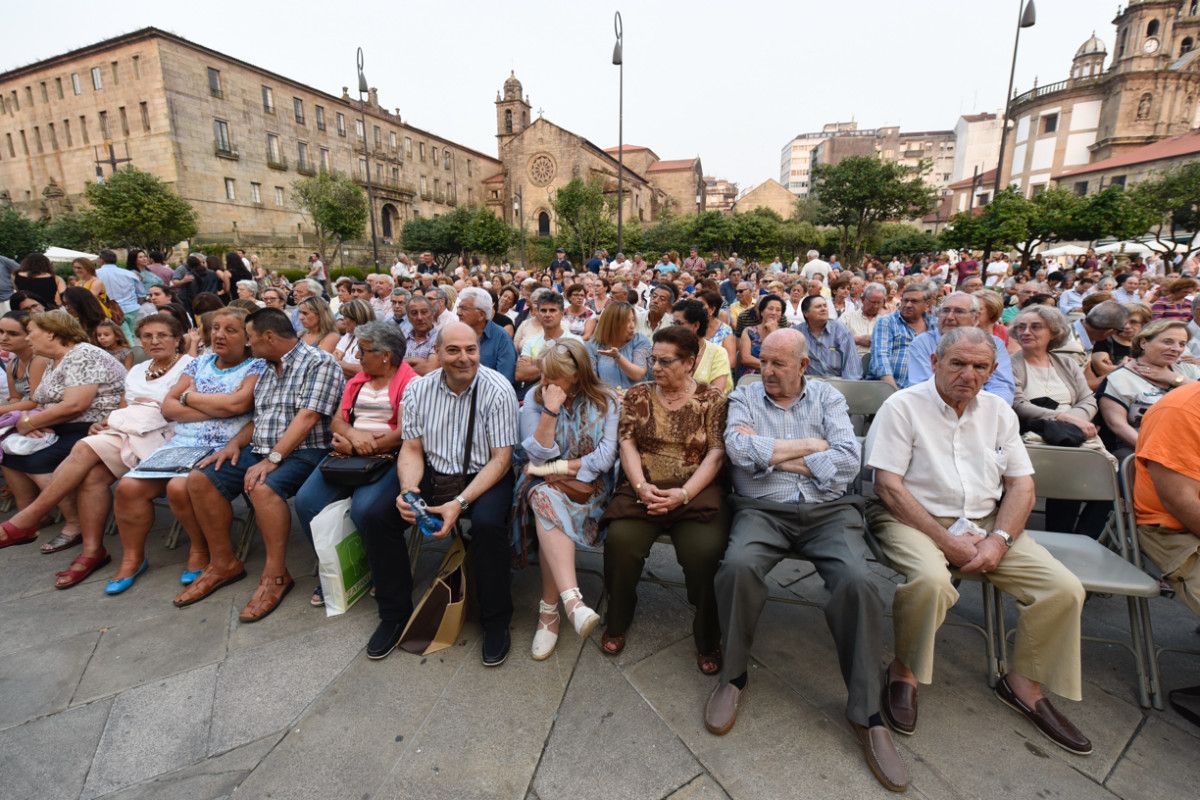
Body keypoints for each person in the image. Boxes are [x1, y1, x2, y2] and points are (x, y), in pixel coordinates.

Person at [866, 326, 1091, 755]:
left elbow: (1022, 487)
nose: (968, 374)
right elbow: (888, 487)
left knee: (1063, 589)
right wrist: (948, 543)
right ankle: (905, 671)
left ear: (991, 371)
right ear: (935, 363)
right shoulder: (902, 407)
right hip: (912, 516)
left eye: (980, 366)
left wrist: (1000, 540)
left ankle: (1023, 681)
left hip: (987, 520)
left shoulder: (999, 412)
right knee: (931, 581)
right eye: (958, 363)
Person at [709, 328, 906, 790]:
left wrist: (771, 455)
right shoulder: (745, 394)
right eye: (763, 361)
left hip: (829, 511)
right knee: (737, 567)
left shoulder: (828, 400)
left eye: (779, 363)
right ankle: (732, 676)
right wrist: (810, 447)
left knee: (860, 579)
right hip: (763, 509)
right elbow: (738, 451)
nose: (767, 371)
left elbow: (847, 460)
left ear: (804, 366)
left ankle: (867, 711)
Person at [174, 308, 344, 622]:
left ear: (268, 336)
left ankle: (276, 575)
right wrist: (234, 444)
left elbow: (307, 418)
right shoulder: (266, 367)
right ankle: (224, 563)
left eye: (250, 338)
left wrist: (272, 459)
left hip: (306, 451)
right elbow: (261, 419)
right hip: (262, 448)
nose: (249, 346)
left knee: (262, 487)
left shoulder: (318, 362)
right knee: (200, 479)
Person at [0, 315, 190, 593]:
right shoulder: (138, 370)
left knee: (81, 449)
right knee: (91, 476)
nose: (154, 341)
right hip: (125, 432)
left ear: (177, 339)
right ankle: (92, 551)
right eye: (147, 336)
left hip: (163, 435)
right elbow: (124, 407)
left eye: (162, 335)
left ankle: (29, 519)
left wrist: (29, 422)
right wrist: (110, 420)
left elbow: (173, 411)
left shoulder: (189, 366)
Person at [601, 326, 729, 674]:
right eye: (652, 359)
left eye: (665, 361)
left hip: (695, 493)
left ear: (689, 362)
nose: (655, 367)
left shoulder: (711, 400)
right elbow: (626, 442)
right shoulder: (638, 395)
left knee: (703, 553)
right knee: (620, 543)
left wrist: (684, 494)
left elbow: (717, 453)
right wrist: (641, 486)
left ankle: (708, 635)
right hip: (644, 489)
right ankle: (617, 617)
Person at [397, 322, 520, 666]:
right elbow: (411, 449)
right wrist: (408, 492)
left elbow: (501, 460)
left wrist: (460, 502)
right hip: (436, 474)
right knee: (375, 513)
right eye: (453, 350)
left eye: (471, 349)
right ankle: (394, 611)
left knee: (487, 525)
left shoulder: (498, 389)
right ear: (437, 352)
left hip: (484, 476)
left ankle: (495, 620)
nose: (464, 358)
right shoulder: (418, 390)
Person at [113, 308, 263, 588]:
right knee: (127, 488)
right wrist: (215, 405)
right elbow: (169, 408)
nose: (219, 334)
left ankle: (200, 548)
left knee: (178, 488)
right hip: (182, 441)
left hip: (223, 444)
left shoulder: (256, 366)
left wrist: (189, 398)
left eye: (230, 330)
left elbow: (238, 406)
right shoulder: (199, 363)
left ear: (247, 339)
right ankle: (132, 558)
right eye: (216, 327)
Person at [294, 322, 416, 641]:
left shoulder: (409, 382)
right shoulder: (358, 380)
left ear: (385, 356)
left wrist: (366, 446)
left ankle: (379, 568)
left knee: (366, 509)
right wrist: (351, 438)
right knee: (307, 502)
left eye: (363, 351)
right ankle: (338, 567)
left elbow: (404, 433)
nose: (357, 356)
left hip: (388, 455)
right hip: (349, 453)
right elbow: (337, 419)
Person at [515, 339, 618, 660]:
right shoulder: (535, 398)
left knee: (547, 508)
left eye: (554, 376)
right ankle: (572, 604)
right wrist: (550, 409)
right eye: (543, 374)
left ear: (577, 375)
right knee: (544, 497)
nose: (545, 382)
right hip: (543, 484)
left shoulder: (607, 400)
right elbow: (534, 453)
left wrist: (559, 467)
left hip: (591, 490)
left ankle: (551, 612)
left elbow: (604, 458)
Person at [0, 313, 126, 554]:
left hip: (96, 427)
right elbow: (42, 400)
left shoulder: (82, 355)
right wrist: (35, 423)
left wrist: (28, 423)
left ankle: (73, 524)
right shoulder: (54, 359)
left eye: (31, 332)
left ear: (51, 333)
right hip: (65, 425)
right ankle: (35, 516)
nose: (28, 338)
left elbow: (75, 405)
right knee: (10, 452)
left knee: (37, 458)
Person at [1009, 306, 1113, 537]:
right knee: (1071, 467)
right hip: (1034, 433)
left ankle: (1083, 537)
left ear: (1053, 333)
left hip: (1073, 432)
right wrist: (1062, 417)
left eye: (1035, 327)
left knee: (1111, 480)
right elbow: (1018, 404)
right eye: (1021, 327)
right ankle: (1059, 534)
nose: (1026, 332)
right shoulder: (1011, 364)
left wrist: (1073, 421)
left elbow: (1088, 400)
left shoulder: (1066, 364)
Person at [1097, 319, 1199, 462]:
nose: (1176, 348)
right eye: (1168, 342)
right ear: (1143, 342)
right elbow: (1117, 425)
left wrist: (1175, 378)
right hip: (1144, 451)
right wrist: (1159, 453)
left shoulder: (1187, 370)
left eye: (1182, 344)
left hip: (1192, 443)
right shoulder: (1119, 379)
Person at [903, 292, 1015, 403]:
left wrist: (980, 411)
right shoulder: (923, 343)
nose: (950, 317)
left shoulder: (993, 344)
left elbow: (1002, 388)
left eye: (959, 311)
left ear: (975, 318)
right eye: (945, 311)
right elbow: (923, 389)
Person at [868, 281, 936, 387]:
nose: (908, 305)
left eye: (914, 301)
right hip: (892, 389)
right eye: (905, 300)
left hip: (927, 390)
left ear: (926, 305)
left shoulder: (934, 325)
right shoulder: (887, 322)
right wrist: (894, 393)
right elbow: (881, 359)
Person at [516, 291, 581, 384]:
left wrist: (535, 364)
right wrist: (560, 364)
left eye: (552, 310)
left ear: (562, 314)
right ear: (537, 313)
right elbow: (520, 374)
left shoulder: (575, 341)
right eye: (543, 310)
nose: (547, 314)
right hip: (534, 394)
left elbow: (576, 373)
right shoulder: (530, 342)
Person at [585, 301, 650, 392]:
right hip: (607, 399)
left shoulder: (640, 340)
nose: (632, 326)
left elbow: (638, 374)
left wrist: (618, 357)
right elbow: (592, 380)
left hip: (636, 398)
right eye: (627, 321)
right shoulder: (593, 345)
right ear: (613, 324)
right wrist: (611, 397)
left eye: (633, 320)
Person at [455, 286, 516, 382]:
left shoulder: (502, 338)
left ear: (481, 315)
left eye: (464, 309)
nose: (458, 313)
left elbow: (505, 379)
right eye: (459, 307)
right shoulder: (455, 333)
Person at [794, 295, 861, 380]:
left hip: (837, 383)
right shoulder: (797, 333)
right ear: (806, 313)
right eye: (818, 307)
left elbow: (852, 366)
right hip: (808, 383)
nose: (823, 309)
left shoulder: (840, 330)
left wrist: (847, 388)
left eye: (825, 306)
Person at [672, 299, 732, 394]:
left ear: (696, 325)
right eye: (673, 324)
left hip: (705, 406)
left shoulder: (717, 353)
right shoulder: (670, 349)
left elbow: (716, 394)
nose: (673, 328)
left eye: (679, 323)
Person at [0, 310, 50, 414]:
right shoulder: (12, 364)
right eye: (1, 332)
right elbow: (15, 398)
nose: (3, 338)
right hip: (25, 414)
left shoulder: (39, 360)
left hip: (43, 414)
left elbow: (35, 402)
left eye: (13, 334)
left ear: (30, 336)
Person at [95, 250, 147, 341]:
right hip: (133, 309)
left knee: (125, 340)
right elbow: (142, 294)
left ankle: (132, 354)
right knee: (136, 337)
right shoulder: (129, 273)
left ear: (101, 260)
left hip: (110, 312)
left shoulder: (95, 275)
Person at [738, 294, 786, 376]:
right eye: (770, 309)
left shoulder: (786, 333)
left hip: (777, 375)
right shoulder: (749, 331)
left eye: (778, 310)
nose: (774, 313)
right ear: (762, 312)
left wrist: (773, 333)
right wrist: (770, 367)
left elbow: (784, 358)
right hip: (752, 376)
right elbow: (745, 358)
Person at [840, 282, 887, 357]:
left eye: (879, 302)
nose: (875, 306)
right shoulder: (847, 317)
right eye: (873, 302)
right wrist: (856, 340)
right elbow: (834, 339)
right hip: (853, 362)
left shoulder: (887, 321)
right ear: (863, 299)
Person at [332, 298, 374, 378]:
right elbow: (335, 355)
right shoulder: (348, 335)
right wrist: (347, 366)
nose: (343, 322)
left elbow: (365, 370)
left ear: (357, 319)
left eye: (345, 318)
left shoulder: (371, 339)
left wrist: (341, 363)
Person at [403, 295, 440, 376]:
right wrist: (418, 361)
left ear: (432, 313)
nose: (419, 317)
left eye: (424, 312)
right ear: (408, 317)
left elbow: (430, 370)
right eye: (414, 313)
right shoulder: (402, 337)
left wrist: (401, 363)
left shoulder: (440, 338)